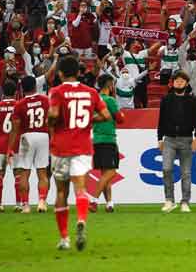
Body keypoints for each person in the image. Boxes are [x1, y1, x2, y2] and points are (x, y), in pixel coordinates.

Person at [47, 56, 110, 251]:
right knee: (80, 189)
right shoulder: (91, 92)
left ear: (60, 73)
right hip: (82, 146)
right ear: (78, 72)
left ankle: (64, 238)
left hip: (61, 147)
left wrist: (51, 124)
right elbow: (106, 115)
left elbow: (54, 115)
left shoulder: (56, 91)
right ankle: (81, 219)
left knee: (61, 192)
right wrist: (88, 121)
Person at [156, 69, 196, 214]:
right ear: (173, 82)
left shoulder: (193, 100)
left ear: (186, 83)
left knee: (186, 173)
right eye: (177, 80)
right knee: (166, 168)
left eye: (182, 81)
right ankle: (169, 200)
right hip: (169, 139)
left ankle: (185, 201)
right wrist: (159, 138)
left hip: (187, 139)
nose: (179, 83)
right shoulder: (166, 99)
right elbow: (161, 120)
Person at [9, 75, 50, 213]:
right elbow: (52, 122)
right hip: (43, 136)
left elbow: (15, 128)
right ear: (35, 86)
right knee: (42, 172)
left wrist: (10, 148)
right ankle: (42, 202)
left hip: (27, 137)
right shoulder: (46, 100)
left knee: (24, 173)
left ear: (22, 88)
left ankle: (25, 205)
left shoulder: (19, 105)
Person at [90, 74, 125, 213]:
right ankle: (93, 200)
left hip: (96, 139)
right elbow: (120, 119)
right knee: (111, 171)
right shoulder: (110, 100)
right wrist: (121, 115)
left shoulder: (94, 100)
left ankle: (109, 203)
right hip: (108, 139)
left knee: (105, 174)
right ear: (110, 85)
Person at [0, 81, 18, 212]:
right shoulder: (19, 105)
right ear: (16, 92)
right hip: (15, 144)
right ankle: (19, 204)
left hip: (0, 144)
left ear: (3, 92)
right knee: (18, 174)